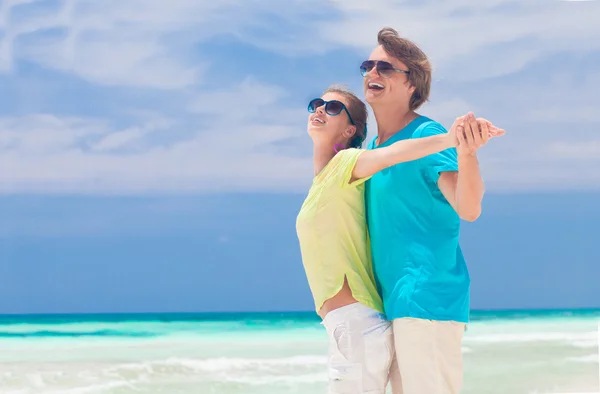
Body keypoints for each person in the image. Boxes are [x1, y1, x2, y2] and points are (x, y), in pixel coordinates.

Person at [295, 84, 503, 394]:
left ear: (350, 129)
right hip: (348, 328)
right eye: (316, 104)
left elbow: (395, 153)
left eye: (334, 107)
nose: (321, 110)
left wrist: (452, 139)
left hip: (357, 325)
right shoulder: (324, 181)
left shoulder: (347, 163)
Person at [362, 27, 503, 393]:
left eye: (386, 68)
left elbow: (468, 207)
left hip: (426, 298)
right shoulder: (371, 147)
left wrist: (467, 154)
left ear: (412, 85)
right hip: (389, 301)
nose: (372, 74)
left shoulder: (427, 134)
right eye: (368, 65)